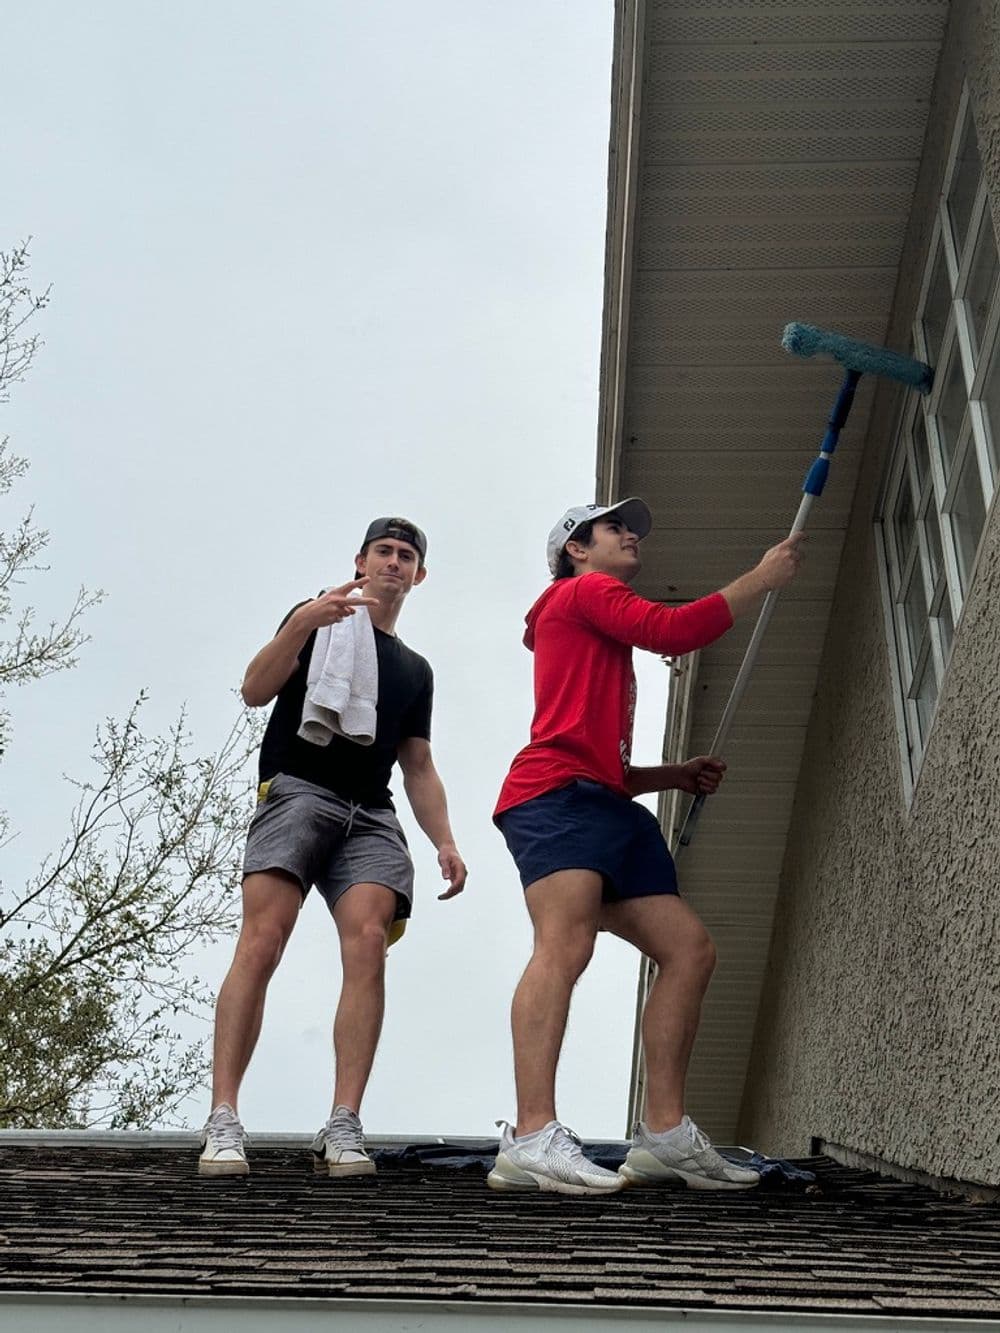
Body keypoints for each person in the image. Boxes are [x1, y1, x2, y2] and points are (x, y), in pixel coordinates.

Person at [489, 498, 802, 1195]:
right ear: (576, 549)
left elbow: (606, 761)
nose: (630, 534)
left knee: (688, 948)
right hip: (555, 796)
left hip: (604, 800)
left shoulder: (590, 623)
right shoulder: (586, 591)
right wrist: (760, 576)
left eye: (630, 527)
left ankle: (663, 1136)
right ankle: (532, 1135)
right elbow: (673, 628)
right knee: (565, 944)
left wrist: (673, 776)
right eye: (612, 527)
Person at [199, 517, 467, 1178]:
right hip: (297, 789)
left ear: (419, 575)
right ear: (361, 561)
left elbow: (419, 764)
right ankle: (224, 1118)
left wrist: (446, 840)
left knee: (370, 940)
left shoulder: (414, 669)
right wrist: (301, 625)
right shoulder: (318, 618)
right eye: (385, 551)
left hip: (371, 811)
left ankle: (344, 1123)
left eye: (407, 556)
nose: (395, 563)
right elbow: (255, 690)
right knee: (263, 938)